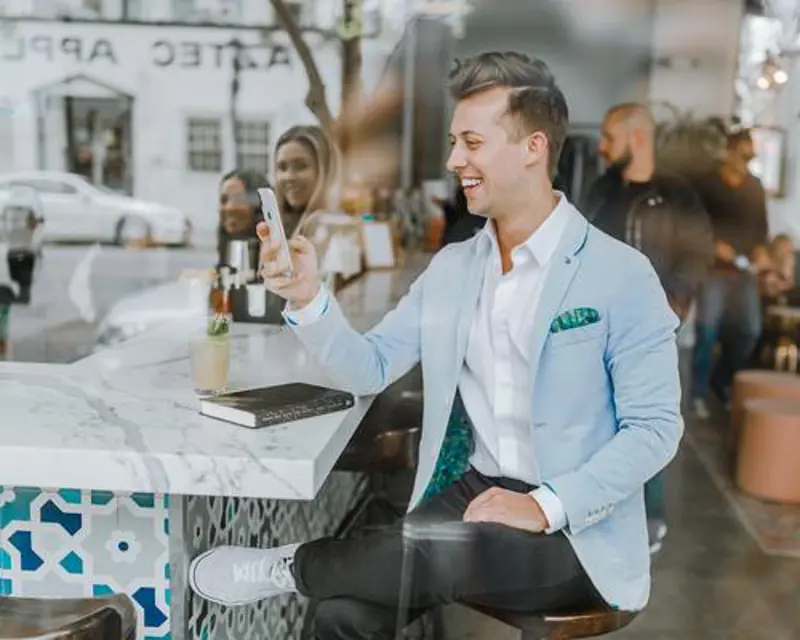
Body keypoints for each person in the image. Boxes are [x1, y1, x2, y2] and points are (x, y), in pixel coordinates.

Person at [189, 51, 682, 639]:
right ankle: (309, 572)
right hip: (474, 493)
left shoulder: (620, 274)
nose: (454, 161)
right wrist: (306, 297)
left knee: (442, 553)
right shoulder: (452, 269)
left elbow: (655, 429)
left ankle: (292, 565)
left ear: (534, 147)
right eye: (455, 142)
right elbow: (369, 367)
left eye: (472, 142)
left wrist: (546, 504)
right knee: (343, 615)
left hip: (576, 527)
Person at [583, 102, 713, 554]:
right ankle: (592, 508)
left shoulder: (679, 197)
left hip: (654, 333)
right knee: (596, 424)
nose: (601, 146)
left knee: (648, 426)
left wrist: (672, 307)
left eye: (609, 137)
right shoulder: (600, 192)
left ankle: (649, 517)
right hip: (595, 331)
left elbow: (696, 256)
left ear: (637, 138)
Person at [691, 129, 769, 419]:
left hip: (745, 272)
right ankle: (697, 394)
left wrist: (761, 252)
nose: (746, 162)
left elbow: (762, 230)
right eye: (742, 155)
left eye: (750, 157)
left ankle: (720, 380)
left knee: (750, 331)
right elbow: (693, 226)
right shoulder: (707, 186)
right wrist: (713, 245)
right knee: (707, 332)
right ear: (729, 151)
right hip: (713, 272)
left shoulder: (755, 187)